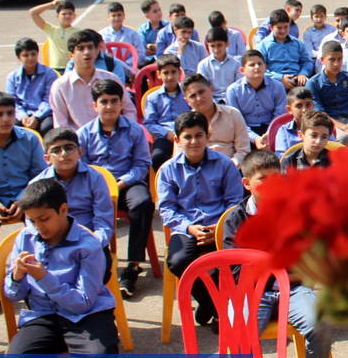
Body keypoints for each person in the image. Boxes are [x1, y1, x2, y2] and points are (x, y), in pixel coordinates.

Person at [219, 150, 341, 358]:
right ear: (247, 183)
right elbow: (236, 272)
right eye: (263, 179)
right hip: (254, 292)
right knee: (242, 332)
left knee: (319, 323)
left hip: (295, 287)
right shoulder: (236, 220)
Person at [4, 178, 118, 358]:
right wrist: (17, 275)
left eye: (44, 219)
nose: (38, 227)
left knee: (100, 356)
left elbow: (82, 302)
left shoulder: (88, 244)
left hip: (85, 314)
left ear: (63, 209)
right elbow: (10, 293)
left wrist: (44, 277)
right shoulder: (25, 237)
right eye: (32, 220)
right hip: (42, 315)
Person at [158, 110, 244, 327]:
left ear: (207, 136)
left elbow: (234, 202)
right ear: (178, 140)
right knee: (178, 261)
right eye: (187, 136)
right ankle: (211, 304)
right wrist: (189, 228)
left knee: (221, 265)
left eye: (199, 135)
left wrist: (219, 227)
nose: (194, 141)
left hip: (218, 225)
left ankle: (219, 310)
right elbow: (167, 208)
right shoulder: (169, 170)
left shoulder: (225, 164)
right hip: (187, 228)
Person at [0, 92, 47, 315]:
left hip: (26, 196)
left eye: (10, 113)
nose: (5, 119)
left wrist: (23, 200)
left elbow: (40, 175)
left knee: (41, 229)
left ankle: (40, 285)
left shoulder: (30, 139)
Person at [77, 79, 153, 297]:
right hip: (96, 186)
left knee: (143, 203)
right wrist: (103, 185)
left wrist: (122, 183)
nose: (109, 106)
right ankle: (93, 264)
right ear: (95, 106)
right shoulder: (84, 134)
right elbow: (82, 167)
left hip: (126, 183)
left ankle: (133, 265)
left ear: (121, 104)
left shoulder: (134, 131)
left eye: (114, 101)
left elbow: (141, 164)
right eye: (104, 102)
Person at [50, 31, 135, 130]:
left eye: (90, 47)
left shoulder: (111, 79)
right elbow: (61, 124)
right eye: (80, 49)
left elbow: (129, 110)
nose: (86, 52)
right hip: (77, 141)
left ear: (96, 51)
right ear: (71, 56)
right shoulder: (60, 86)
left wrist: (126, 132)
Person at [306, 40, 348, 142]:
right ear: (322, 60)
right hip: (328, 125)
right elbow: (320, 114)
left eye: (339, 59)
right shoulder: (313, 83)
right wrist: (344, 127)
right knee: (344, 138)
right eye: (332, 60)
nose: (336, 64)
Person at [182, 74, 250, 163]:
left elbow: (243, 151)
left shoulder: (232, 114)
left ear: (211, 90)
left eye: (201, 92)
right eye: (193, 96)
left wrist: (227, 168)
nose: (199, 98)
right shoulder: (184, 123)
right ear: (187, 101)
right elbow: (180, 155)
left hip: (231, 169)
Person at [226, 50, 288, 148]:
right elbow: (236, 120)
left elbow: (280, 114)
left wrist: (270, 133)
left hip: (272, 127)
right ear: (242, 70)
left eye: (260, 64)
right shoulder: (233, 91)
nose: (257, 67)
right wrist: (255, 139)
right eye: (252, 65)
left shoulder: (277, 86)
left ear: (265, 67)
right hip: (245, 130)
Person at [7, 38, 58, 134]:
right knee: (11, 127)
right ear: (19, 57)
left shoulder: (49, 74)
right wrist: (23, 116)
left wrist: (37, 117)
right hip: (21, 114)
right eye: (25, 55)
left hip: (44, 114)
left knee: (47, 127)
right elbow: (12, 102)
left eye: (33, 54)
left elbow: (49, 100)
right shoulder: (12, 77)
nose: (30, 58)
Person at [257, 9, 312, 91]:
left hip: (297, 80)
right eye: (279, 28)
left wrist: (303, 73)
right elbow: (260, 68)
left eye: (286, 27)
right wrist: (280, 78)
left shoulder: (297, 43)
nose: (283, 31)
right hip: (274, 83)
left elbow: (307, 61)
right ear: (271, 27)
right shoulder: (263, 45)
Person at [28, 0, 78, 72]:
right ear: (57, 16)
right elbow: (33, 13)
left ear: (74, 16)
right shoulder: (51, 30)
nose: (67, 16)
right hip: (55, 69)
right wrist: (52, 4)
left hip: (72, 68)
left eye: (70, 14)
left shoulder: (79, 32)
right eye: (64, 14)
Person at [198, 27, 241, 100]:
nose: (216, 50)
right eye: (212, 46)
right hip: (212, 101)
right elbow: (204, 87)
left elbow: (239, 87)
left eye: (219, 45)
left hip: (232, 99)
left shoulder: (236, 63)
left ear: (227, 44)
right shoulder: (203, 65)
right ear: (207, 45)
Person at [273, 87, 315, 154]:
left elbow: (333, 148)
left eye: (308, 105)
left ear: (313, 106)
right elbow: (282, 158)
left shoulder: (323, 127)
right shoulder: (284, 131)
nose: (304, 110)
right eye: (299, 106)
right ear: (289, 109)